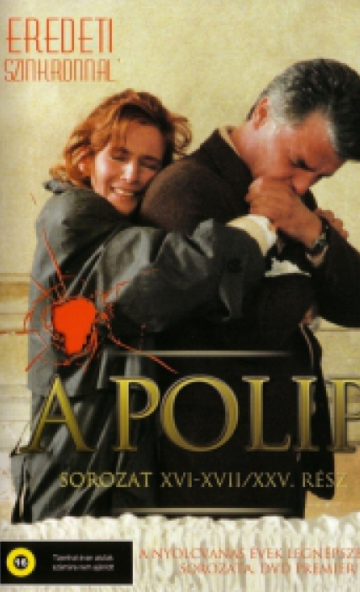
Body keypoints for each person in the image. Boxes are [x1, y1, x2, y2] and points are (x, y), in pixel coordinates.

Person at [11, 89, 283, 523]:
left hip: (99, 454)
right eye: (118, 157)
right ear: (85, 159)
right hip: (77, 465)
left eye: (149, 163)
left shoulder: (111, 222)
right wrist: (262, 227)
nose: (132, 175)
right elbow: (169, 268)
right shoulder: (70, 217)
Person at [139, 58, 360, 518]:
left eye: (320, 178)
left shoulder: (292, 199)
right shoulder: (183, 191)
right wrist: (306, 289)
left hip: (276, 464)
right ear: (264, 113)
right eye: (299, 164)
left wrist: (311, 230)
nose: (304, 186)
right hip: (204, 475)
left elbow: (359, 306)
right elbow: (229, 331)